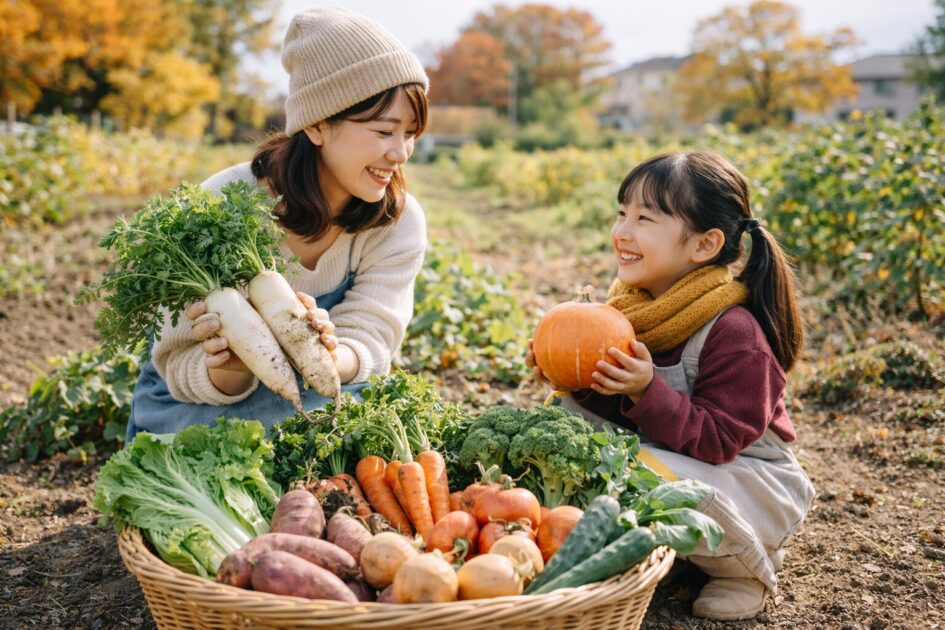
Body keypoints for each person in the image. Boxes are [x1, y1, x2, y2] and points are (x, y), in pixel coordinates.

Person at [527, 151, 815, 621]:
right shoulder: (636, 310)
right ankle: (687, 554)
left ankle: (747, 569)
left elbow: (720, 441)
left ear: (704, 245)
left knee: (644, 475)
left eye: (645, 218)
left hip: (750, 480)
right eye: (622, 213)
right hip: (671, 460)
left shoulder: (735, 333)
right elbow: (615, 420)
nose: (622, 230)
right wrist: (573, 375)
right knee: (567, 420)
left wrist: (646, 392)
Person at [126, 6, 429, 440]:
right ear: (318, 125)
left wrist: (326, 355)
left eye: (411, 133)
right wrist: (231, 367)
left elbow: (372, 341)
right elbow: (177, 363)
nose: (400, 153)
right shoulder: (220, 205)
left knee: (366, 427)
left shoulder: (397, 221)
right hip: (200, 406)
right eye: (384, 132)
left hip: (325, 392)